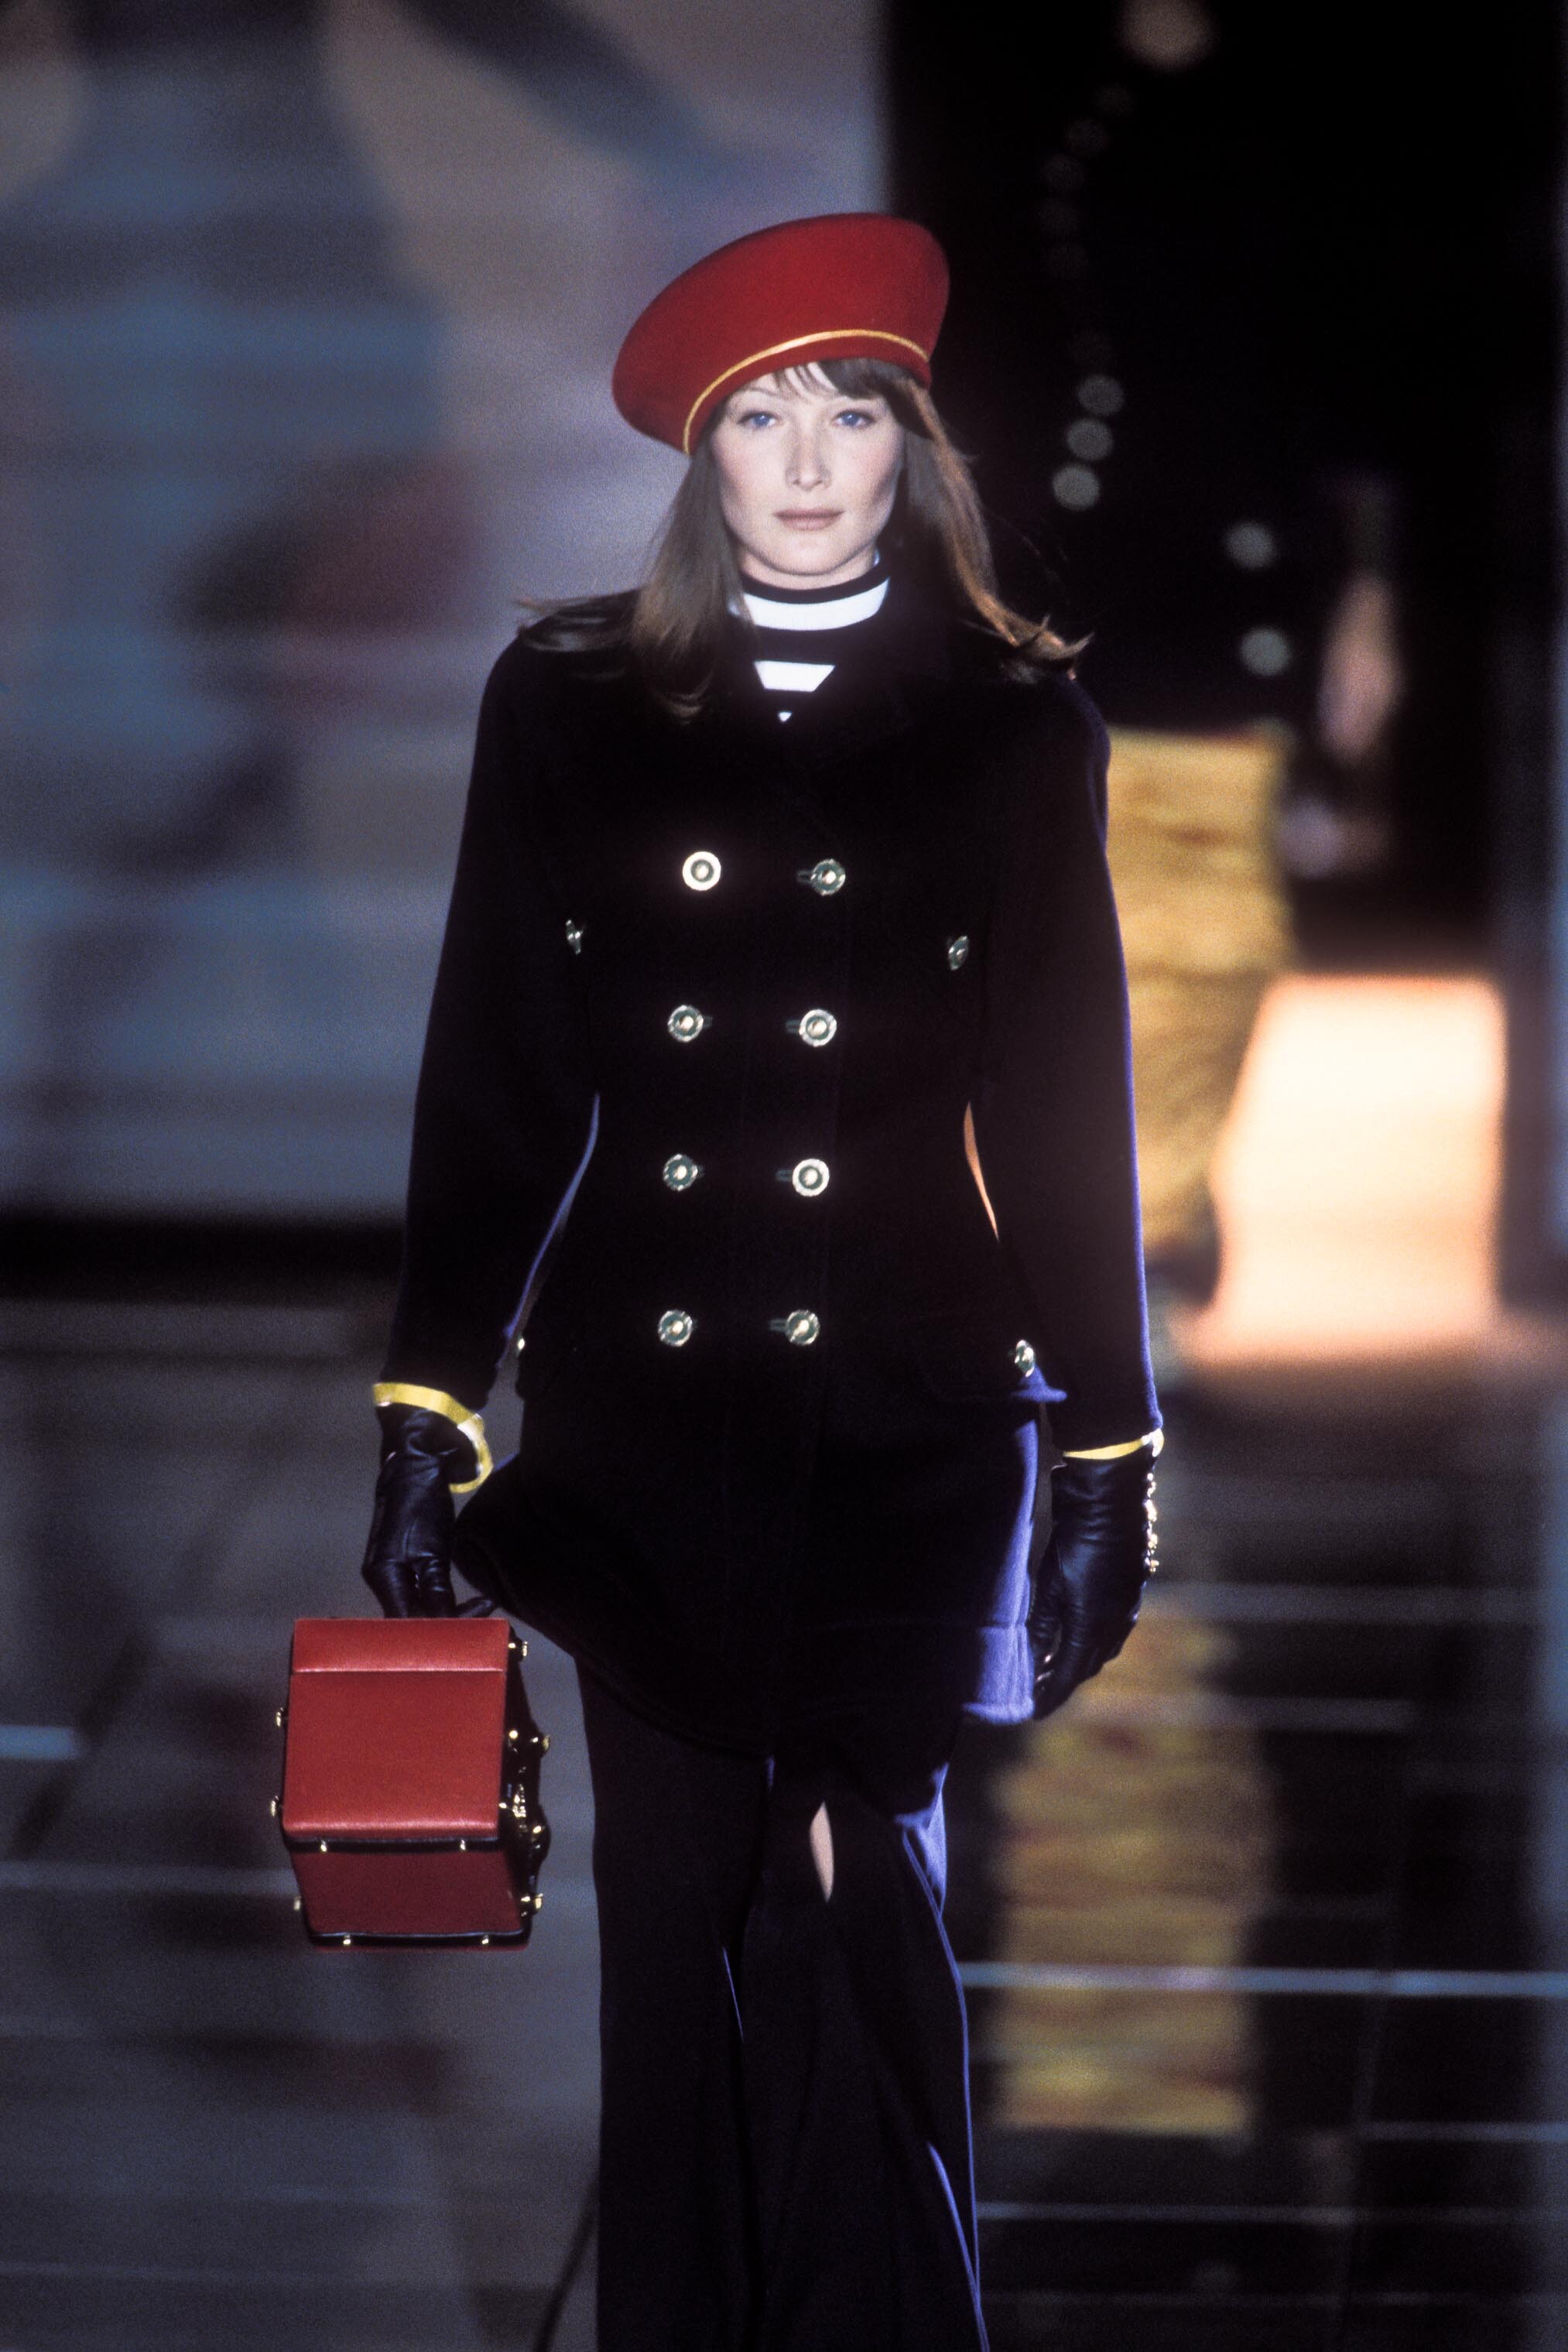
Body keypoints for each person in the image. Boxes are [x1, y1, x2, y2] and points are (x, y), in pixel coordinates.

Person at [358, 212, 1162, 2352]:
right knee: (676, 1937)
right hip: (648, 1416)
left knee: (852, 1900)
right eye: (759, 419)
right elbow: (499, 1073)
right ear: (699, 455)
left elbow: (1060, 1102)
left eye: (852, 414)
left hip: (906, 1408)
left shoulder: (1015, 723)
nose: (807, 462)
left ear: (915, 447)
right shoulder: (569, 705)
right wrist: (429, 1404)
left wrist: (1108, 1448)